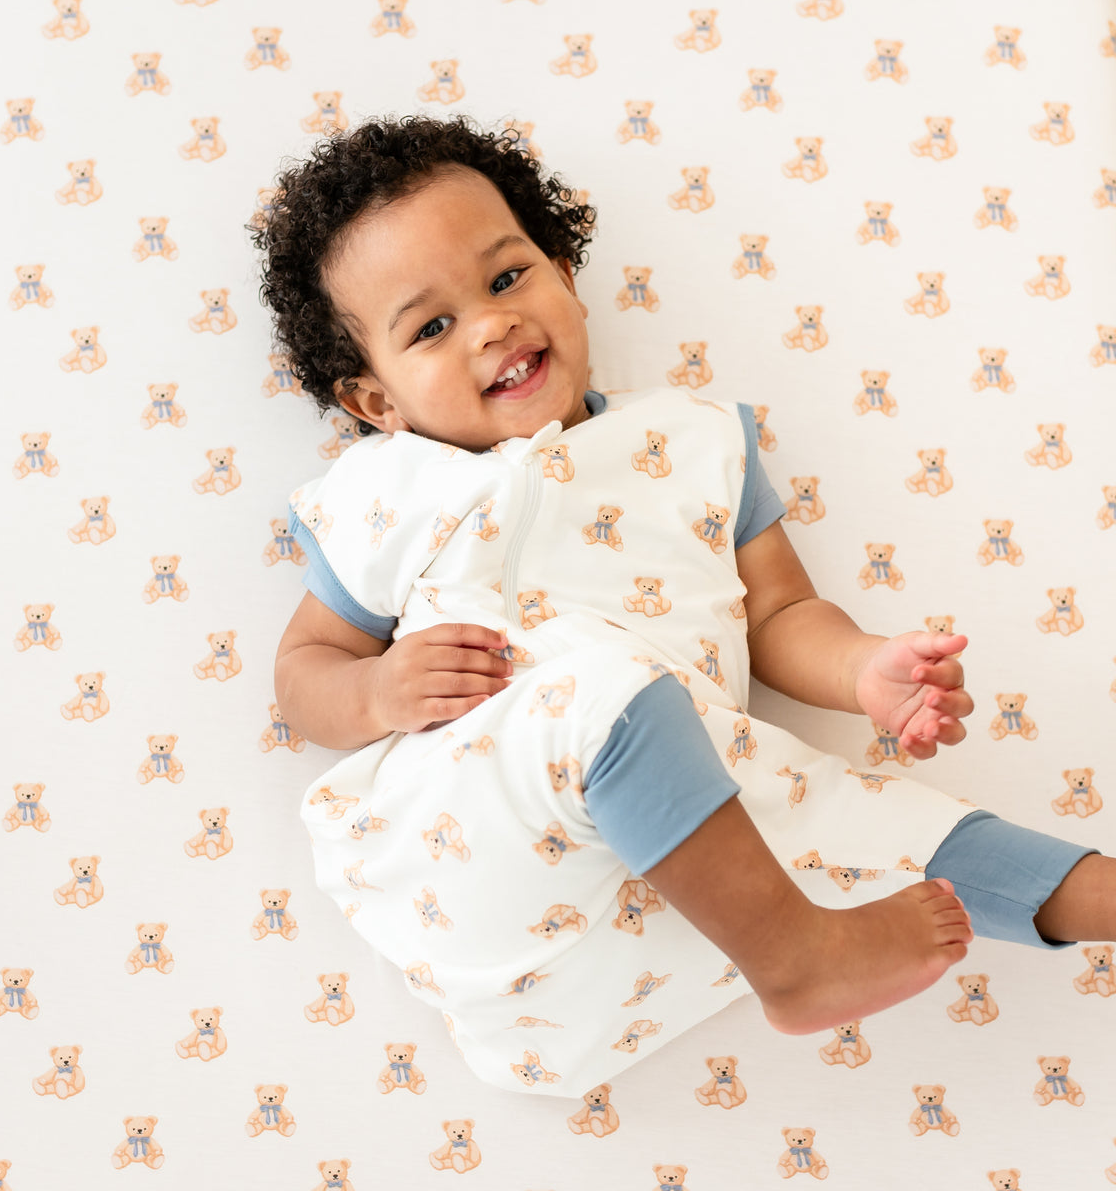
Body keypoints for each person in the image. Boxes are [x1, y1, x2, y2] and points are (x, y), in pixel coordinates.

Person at [253, 115, 1113, 1096]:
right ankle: (802, 961)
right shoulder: (386, 490)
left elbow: (783, 615)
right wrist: (376, 694)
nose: (491, 324)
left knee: (897, 828)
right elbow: (303, 671)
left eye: (506, 279)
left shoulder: (696, 443)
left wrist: (863, 668)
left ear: (565, 274)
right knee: (607, 695)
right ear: (377, 402)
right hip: (479, 845)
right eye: (432, 327)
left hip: (689, 881)